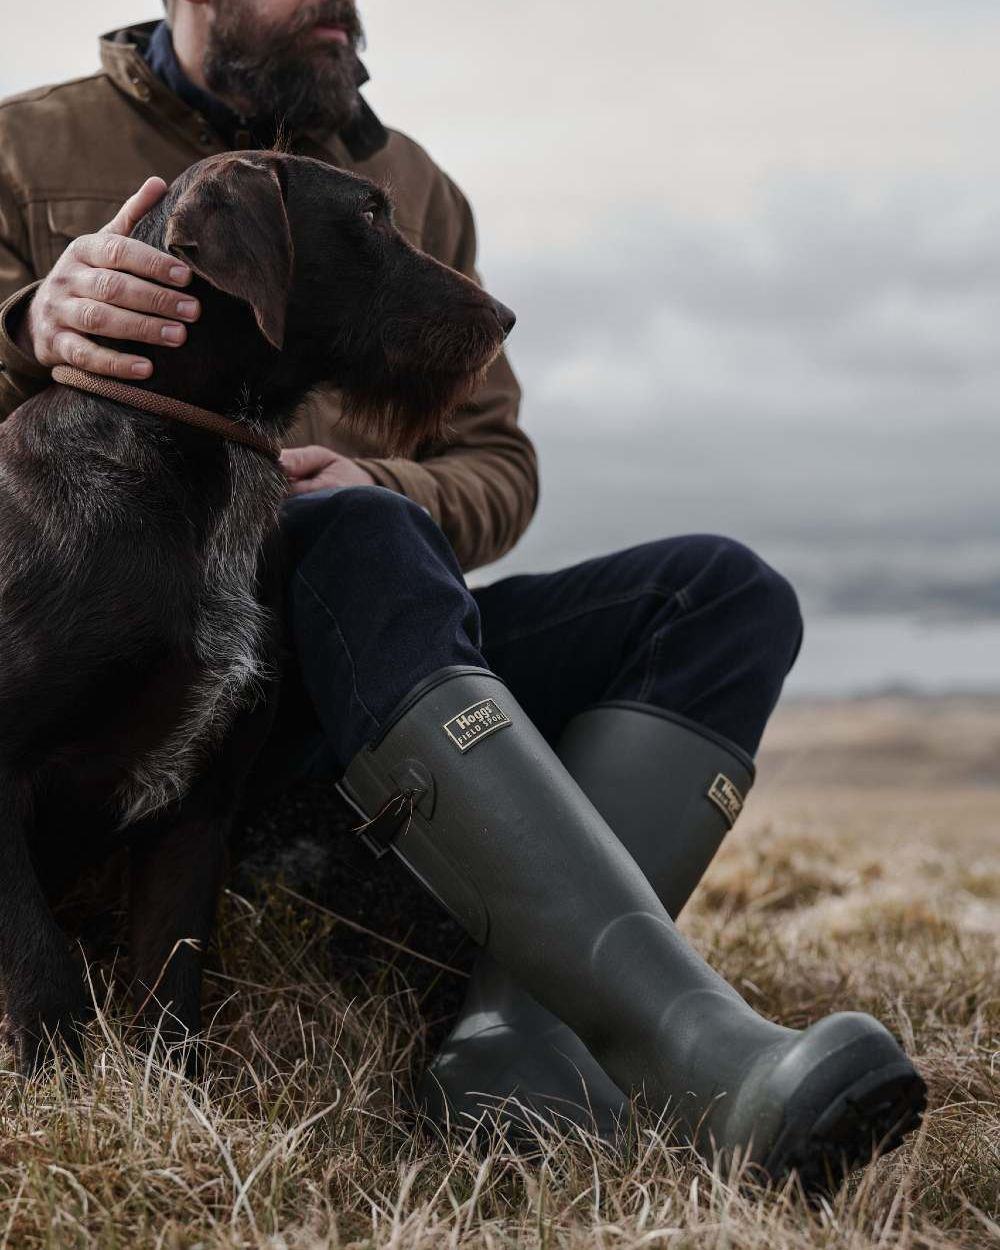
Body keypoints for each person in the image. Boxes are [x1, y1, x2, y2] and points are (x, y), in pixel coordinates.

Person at [0, 1, 924, 1189]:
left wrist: (376, 480)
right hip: (112, 657)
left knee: (718, 591)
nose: (339, 5)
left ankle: (515, 1030)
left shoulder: (410, 183)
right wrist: (32, 323)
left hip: (363, 660)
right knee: (350, 528)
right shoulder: (26, 151)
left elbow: (498, 461)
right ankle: (691, 1051)